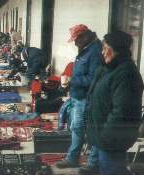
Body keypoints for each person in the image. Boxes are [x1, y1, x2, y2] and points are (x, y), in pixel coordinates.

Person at [82, 31, 144, 175]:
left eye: (105, 48)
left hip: (112, 140)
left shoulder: (126, 73)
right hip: (102, 137)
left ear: (116, 49)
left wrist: (105, 136)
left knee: (112, 170)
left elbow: (122, 111)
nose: (102, 52)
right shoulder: (108, 69)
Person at [56, 24, 102, 170]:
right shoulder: (86, 49)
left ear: (85, 36)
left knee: (82, 128)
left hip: (85, 97)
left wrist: (72, 81)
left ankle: (86, 161)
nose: (75, 42)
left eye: (77, 39)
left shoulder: (94, 51)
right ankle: (75, 158)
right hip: (78, 95)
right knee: (77, 127)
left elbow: (93, 78)